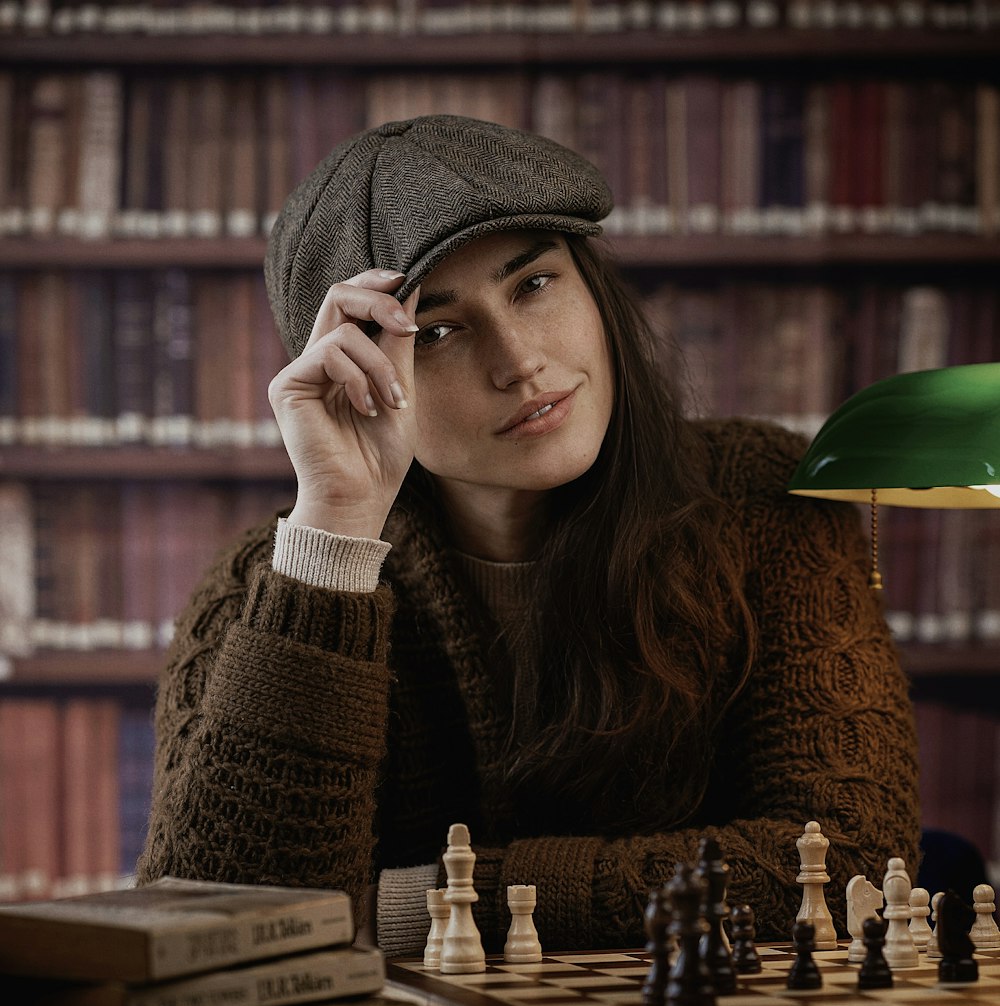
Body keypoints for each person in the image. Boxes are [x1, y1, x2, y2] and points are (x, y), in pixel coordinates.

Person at [136, 115, 921, 953]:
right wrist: (336, 526)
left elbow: (857, 868)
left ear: (593, 288)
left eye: (533, 286)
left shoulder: (762, 500)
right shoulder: (276, 582)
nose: (518, 362)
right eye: (434, 332)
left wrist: (427, 905)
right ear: (355, 377)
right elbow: (212, 928)